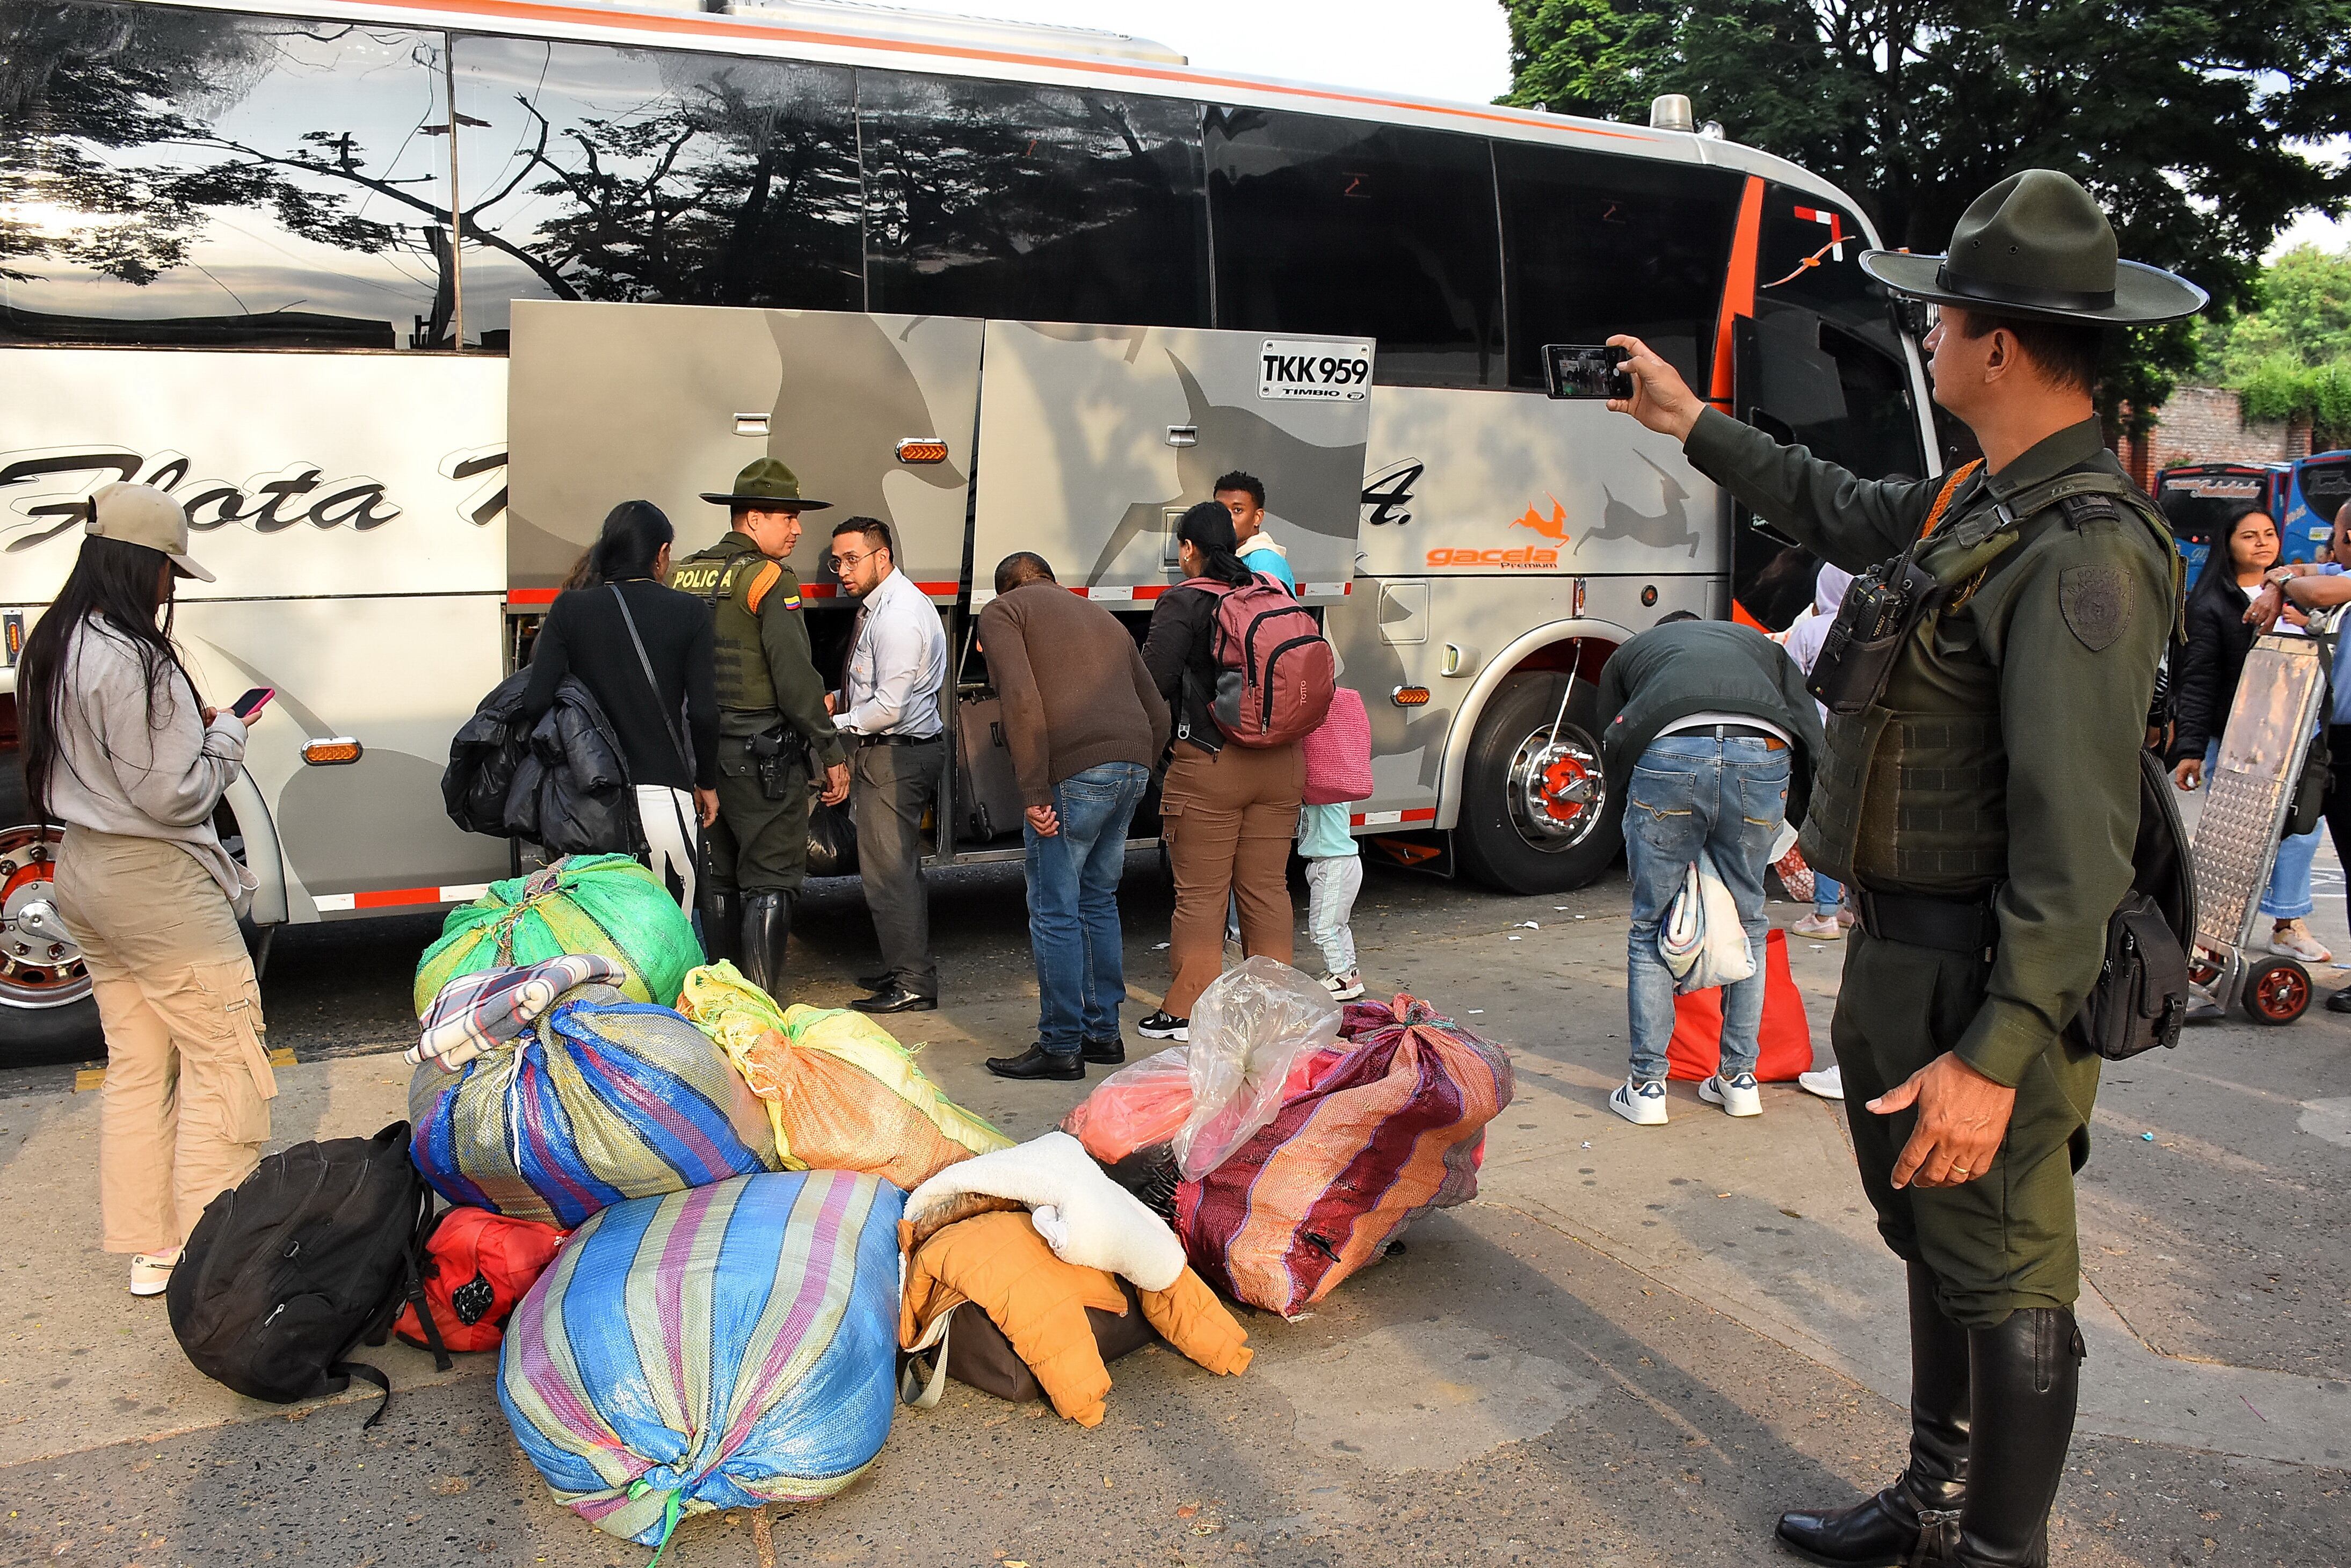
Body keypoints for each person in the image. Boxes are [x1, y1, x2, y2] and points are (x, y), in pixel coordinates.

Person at [1608, 169, 2201, 1568]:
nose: (1924, 339)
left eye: (1939, 320)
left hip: (1992, 974)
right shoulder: (1974, 504)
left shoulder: (2081, 553)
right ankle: (1932, 1502)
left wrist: (1997, 1056)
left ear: (1996, 345)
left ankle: (1997, 1548)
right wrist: (1694, 424)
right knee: (1940, 1246)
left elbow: (2076, 850)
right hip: (1905, 952)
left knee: (2007, 1270)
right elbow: (1835, 504)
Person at [18, 484, 271, 1298]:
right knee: (224, 1056)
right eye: (168, 567)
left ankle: (151, 1247)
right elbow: (178, 797)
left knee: (138, 1064)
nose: (172, 585)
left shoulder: (54, 641)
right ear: (139, 562)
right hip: (156, 881)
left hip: (85, 869)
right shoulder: (135, 656)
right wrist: (226, 733)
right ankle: (212, 1248)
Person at [1595, 611, 1823, 1126]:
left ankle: (1648, 1087)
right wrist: (1807, 815)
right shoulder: (1756, 644)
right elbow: (1807, 720)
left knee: (1650, 924)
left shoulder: (1634, 651)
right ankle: (1741, 1080)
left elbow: (1611, 731)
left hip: (1668, 750)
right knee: (1751, 922)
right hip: (1763, 749)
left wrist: (1628, 818)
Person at [974, 552, 1170, 1079]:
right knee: (1097, 900)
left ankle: (1060, 1044)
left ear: (1006, 590)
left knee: (1054, 908)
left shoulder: (1005, 612)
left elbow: (1019, 697)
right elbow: (1158, 711)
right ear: (1052, 582)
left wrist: (1033, 788)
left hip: (1072, 775)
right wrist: (1136, 769)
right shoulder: (1101, 616)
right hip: (1130, 767)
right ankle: (1102, 1034)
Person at [669, 458, 850, 999]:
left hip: (700, 753)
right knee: (771, 878)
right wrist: (831, 748)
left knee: (719, 877)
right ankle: (760, 1007)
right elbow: (795, 677)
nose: (797, 530)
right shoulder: (770, 578)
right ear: (751, 518)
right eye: (787, 518)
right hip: (762, 757)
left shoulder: (685, 571)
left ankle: (723, 1001)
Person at [1136, 502, 1306, 1042]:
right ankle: (1271, 1010)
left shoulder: (1183, 601)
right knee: (1266, 890)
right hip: (1281, 763)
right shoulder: (1269, 592)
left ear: (1187, 548)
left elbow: (1152, 683)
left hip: (1212, 763)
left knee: (1202, 895)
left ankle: (1188, 1011)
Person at [521, 501, 719, 917]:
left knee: (599, 935)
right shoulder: (690, 612)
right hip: (664, 799)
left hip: (588, 804)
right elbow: (703, 712)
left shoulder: (570, 610)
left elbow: (536, 700)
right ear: (662, 554)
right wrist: (707, 782)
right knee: (667, 936)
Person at [2169, 507, 2331, 964]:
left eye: (2269, 534)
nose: (2262, 543)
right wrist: (2192, 750)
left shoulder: (2301, 594)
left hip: (2300, 734)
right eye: (2249, 536)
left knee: (2303, 831)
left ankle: (2288, 923)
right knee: (2238, 841)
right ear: (2228, 544)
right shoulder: (2210, 604)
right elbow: (2198, 680)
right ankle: (2212, 938)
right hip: (2240, 738)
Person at [825, 517, 949, 1015]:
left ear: (883, 557)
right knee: (893, 870)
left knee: (889, 873)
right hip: (891, 750)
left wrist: (837, 722)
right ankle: (905, 967)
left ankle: (914, 982)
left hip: (896, 752)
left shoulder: (898, 616)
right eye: (837, 561)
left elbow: (889, 708)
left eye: (852, 559)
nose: (842, 571)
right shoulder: (883, 608)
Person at [2248, 497, 2351, 1013]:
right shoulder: (2339, 568)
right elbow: (2296, 570)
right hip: (2330, 737)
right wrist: (2274, 582)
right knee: (2303, 832)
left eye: (2335, 537)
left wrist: (2280, 584)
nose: (2329, 546)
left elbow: (2313, 586)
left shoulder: (2343, 580)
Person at [1782, 563, 1858, 944]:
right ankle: (1852, 908)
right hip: (1861, 741)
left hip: (1820, 742)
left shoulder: (1810, 631)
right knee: (1854, 824)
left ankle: (1825, 912)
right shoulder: (1869, 629)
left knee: (1826, 826)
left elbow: (1789, 684)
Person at [1298, 798, 1365, 1000]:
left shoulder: (1327, 790)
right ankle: (1350, 974)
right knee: (1338, 926)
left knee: (1323, 928)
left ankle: (1342, 977)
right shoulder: (1335, 790)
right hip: (1334, 861)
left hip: (1334, 863)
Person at [1215, 470, 1296, 593]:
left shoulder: (1265, 561)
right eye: (1220, 509)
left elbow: (1269, 610)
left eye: (1237, 510)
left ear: (1257, 518)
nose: (1226, 517)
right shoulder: (1227, 555)